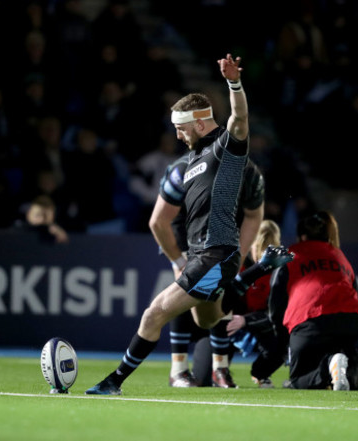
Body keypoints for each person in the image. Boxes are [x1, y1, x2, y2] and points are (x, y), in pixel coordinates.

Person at [85, 53, 293, 395]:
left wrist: (234, 82)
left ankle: (115, 381)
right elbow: (159, 221)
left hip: (216, 253)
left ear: (198, 123)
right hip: (202, 254)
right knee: (207, 319)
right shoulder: (191, 160)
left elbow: (240, 117)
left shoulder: (226, 149)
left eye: (181, 129)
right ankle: (256, 275)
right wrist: (182, 260)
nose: (178, 136)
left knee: (154, 314)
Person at [167, 156, 265, 389]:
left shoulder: (240, 176)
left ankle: (220, 369)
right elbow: (173, 218)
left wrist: (238, 255)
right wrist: (180, 259)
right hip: (191, 251)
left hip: (223, 253)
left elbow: (246, 217)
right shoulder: (189, 170)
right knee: (178, 296)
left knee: (223, 294)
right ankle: (178, 370)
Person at [269, 210, 358, 391]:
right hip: (351, 322)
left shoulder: (290, 253)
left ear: (302, 236)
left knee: (298, 380)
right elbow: (354, 292)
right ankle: (343, 367)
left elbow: (276, 301)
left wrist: (283, 337)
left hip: (311, 320)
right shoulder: (340, 256)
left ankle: (328, 367)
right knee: (331, 355)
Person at [224, 219, 288, 388]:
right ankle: (220, 370)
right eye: (260, 247)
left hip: (262, 323)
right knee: (223, 323)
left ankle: (261, 373)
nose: (263, 255)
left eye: (269, 247)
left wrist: (246, 321)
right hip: (233, 320)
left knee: (282, 341)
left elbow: (278, 314)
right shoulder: (237, 264)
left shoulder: (282, 270)